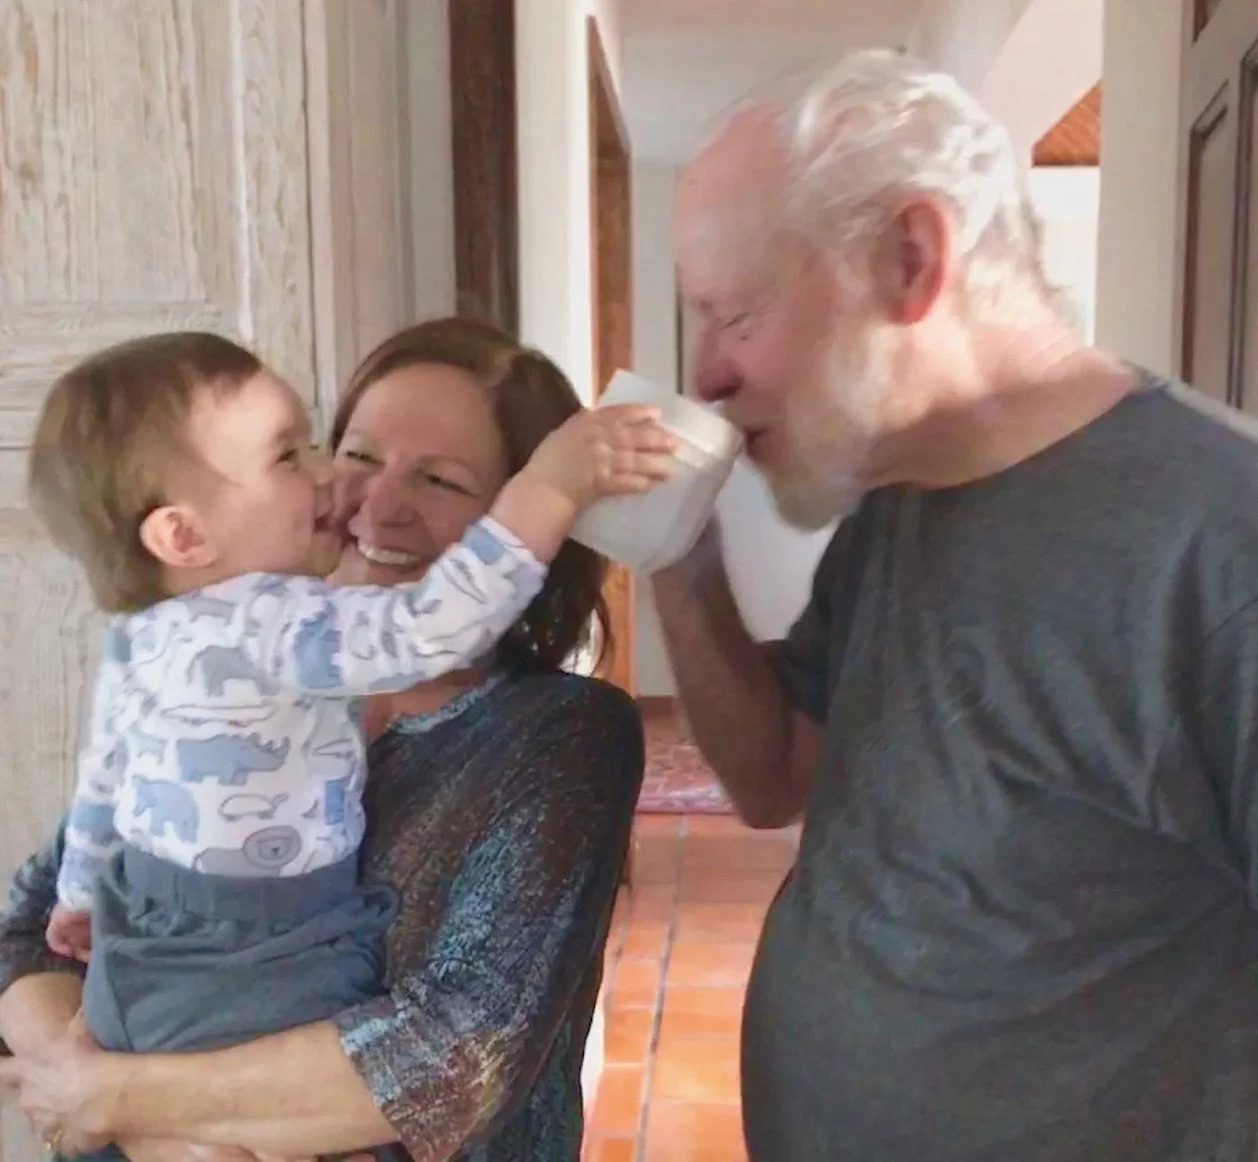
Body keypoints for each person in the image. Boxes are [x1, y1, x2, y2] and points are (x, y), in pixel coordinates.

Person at [645, 48, 1258, 1161]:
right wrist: (676, 565)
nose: (705, 377)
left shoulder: (1223, 542)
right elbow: (774, 775)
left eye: (733, 313)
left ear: (910, 257)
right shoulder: (900, 497)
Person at [0, 317, 648, 1162]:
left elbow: (444, 1067)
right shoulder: (198, 660)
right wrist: (69, 1071)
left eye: (441, 480)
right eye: (357, 454)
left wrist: (109, 1098)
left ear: (513, 533)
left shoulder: (560, 734)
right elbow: (31, 928)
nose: (375, 503)